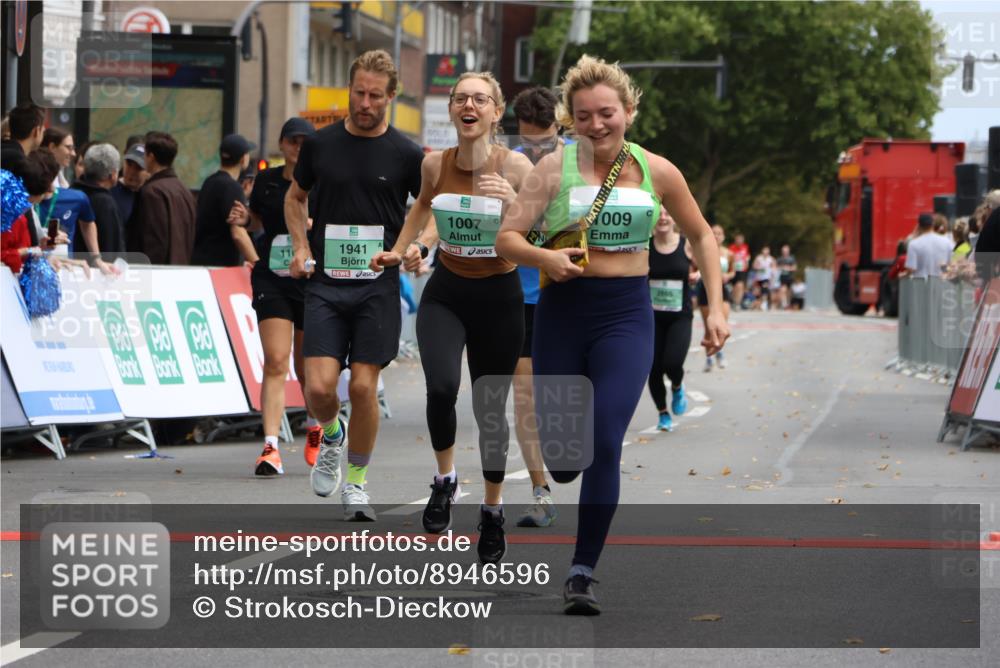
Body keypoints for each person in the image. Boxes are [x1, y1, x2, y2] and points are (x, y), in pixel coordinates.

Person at [496, 55, 729, 615]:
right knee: (565, 458)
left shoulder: (658, 171)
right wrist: (545, 255)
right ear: (569, 119)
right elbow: (508, 239)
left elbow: (701, 235)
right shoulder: (553, 169)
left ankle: (582, 571)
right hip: (562, 313)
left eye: (607, 113)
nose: (597, 125)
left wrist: (716, 306)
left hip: (626, 316)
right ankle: (565, 469)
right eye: (583, 116)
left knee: (605, 441)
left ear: (628, 110)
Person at [371, 72, 534, 563]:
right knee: (441, 388)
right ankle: (445, 480)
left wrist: (515, 203)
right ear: (453, 110)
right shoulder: (434, 165)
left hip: (500, 296)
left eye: (480, 99)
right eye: (461, 98)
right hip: (447, 293)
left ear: (495, 111)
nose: (469, 105)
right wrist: (406, 249)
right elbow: (422, 209)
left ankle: (492, 509)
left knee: (489, 408)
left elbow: (546, 230)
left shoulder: (518, 166)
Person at [286, 50, 424, 521]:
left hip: (376, 286)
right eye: (358, 93)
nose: (364, 103)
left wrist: (409, 247)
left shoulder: (406, 154)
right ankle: (331, 433)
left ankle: (358, 485)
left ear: (390, 96)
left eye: (374, 96)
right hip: (326, 282)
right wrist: (301, 247)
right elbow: (294, 196)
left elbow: (426, 208)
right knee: (320, 387)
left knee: (364, 388)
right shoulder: (320, 146)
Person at [228, 117, 322, 476]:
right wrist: (245, 218)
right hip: (274, 278)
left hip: (312, 281)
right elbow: (257, 221)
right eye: (292, 140)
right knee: (276, 360)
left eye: (305, 141)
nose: (298, 146)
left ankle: (314, 427)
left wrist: (312, 226)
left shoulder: (323, 181)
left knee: (306, 367)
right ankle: (270, 447)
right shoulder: (267, 180)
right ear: (282, 144)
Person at [509, 85, 568, 528]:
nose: (533, 151)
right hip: (519, 294)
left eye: (543, 142)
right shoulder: (506, 163)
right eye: (526, 141)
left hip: (567, 293)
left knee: (561, 395)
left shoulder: (574, 166)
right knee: (525, 398)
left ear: (559, 128)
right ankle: (540, 491)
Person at [647, 208, 694, 432]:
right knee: (654, 368)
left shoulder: (686, 244)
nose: (663, 217)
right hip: (652, 317)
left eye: (667, 213)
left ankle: (677, 385)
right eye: (659, 214)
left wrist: (698, 274)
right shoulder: (645, 246)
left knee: (672, 363)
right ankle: (663, 414)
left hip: (680, 316)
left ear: (674, 218)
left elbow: (706, 263)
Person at [127, 131, 197, 265]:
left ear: (151, 157)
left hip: (158, 275)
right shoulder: (184, 190)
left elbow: (154, 242)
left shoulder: (152, 192)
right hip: (182, 269)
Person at [190, 134, 254, 267]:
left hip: (201, 263)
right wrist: (256, 262)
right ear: (243, 159)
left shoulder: (209, 182)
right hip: (222, 269)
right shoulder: (232, 187)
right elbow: (238, 233)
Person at [72, 143, 126, 259]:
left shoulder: (72, 192)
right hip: (98, 272)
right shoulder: (105, 203)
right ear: (112, 175)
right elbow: (112, 248)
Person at [696, 224, 734, 371]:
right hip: (705, 289)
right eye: (714, 233)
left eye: (719, 233)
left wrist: (727, 276)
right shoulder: (701, 250)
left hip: (723, 289)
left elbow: (733, 272)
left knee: (721, 324)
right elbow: (694, 268)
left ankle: (720, 353)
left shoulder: (728, 253)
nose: (717, 236)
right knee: (708, 327)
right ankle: (709, 358)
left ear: (723, 237)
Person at [110, 138, 148, 226]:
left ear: (148, 172)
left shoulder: (149, 195)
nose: (131, 171)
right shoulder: (111, 190)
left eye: (138, 168)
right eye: (129, 164)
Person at [903, 213, 952, 278]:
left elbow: (911, 269)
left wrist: (903, 274)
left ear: (919, 226)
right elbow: (950, 265)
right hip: (942, 284)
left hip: (921, 285)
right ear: (932, 225)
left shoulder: (913, 244)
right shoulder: (947, 242)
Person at [728, 232, 750, 309]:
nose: (740, 241)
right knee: (734, 287)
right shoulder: (731, 248)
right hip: (733, 270)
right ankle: (733, 301)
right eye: (738, 239)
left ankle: (737, 303)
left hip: (742, 270)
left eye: (741, 239)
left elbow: (747, 257)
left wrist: (747, 263)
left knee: (740, 285)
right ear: (735, 240)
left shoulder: (745, 247)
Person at [751, 245, 775, 310]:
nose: (765, 252)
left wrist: (772, 276)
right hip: (759, 277)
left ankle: (764, 303)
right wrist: (759, 268)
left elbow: (774, 268)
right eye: (764, 250)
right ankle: (758, 304)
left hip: (767, 277)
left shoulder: (771, 259)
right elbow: (754, 266)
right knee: (758, 291)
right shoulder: (759, 258)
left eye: (767, 250)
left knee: (765, 289)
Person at [776, 243, 797, 309]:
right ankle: (784, 304)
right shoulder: (779, 259)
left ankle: (788, 303)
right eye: (783, 251)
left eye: (786, 251)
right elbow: (775, 267)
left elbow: (795, 268)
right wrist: (781, 268)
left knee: (789, 291)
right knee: (783, 290)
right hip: (782, 276)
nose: (785, 252)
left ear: (788, 251)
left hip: (790, 276)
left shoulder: (792, 259)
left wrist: (788, 268)